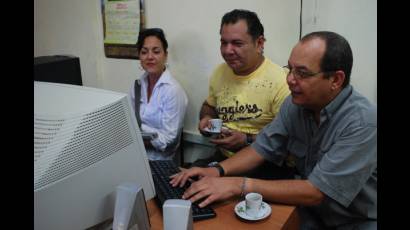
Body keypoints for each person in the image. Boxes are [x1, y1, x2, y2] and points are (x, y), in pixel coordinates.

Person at [171, 31, 377, 229]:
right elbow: (261, 148)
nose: (290, 79)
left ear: (336, 80)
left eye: (302, 73)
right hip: (311, 213)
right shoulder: (295, 104)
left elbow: (316, 191)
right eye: (290, 68)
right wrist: (217, 170)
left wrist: (238, 185)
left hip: (354, 221)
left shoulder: (363, 122)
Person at [192, 9, 293, 180]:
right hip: (224, 159)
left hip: (265, 165)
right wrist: (206, 119)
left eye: (237, 43)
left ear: (259, 43)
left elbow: (288, 139)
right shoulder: (220, 72)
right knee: (184, 182)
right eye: (224, 43)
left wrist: (246, 140)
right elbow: (209, 106)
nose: (228, 51)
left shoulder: (280, 81)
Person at [130, 28, 188, 161]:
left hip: (161, 162)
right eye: (144, 52)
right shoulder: (137, 86)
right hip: (137, 157)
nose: (150, 57)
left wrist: (137, 138)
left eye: (156, 51)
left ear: (165, 55)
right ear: (139, 56)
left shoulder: (172, 90)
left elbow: (169, 140)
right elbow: (131, 123)